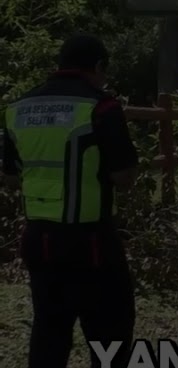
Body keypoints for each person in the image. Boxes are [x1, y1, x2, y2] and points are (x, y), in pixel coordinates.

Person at [2, 34, 138, 367]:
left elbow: (9, 176)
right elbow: (124, 175)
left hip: (38, 240)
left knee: (49, 330)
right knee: (112, 334)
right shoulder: (101, 107)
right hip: (91, 242)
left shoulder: (18, 109)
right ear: (98, 66)